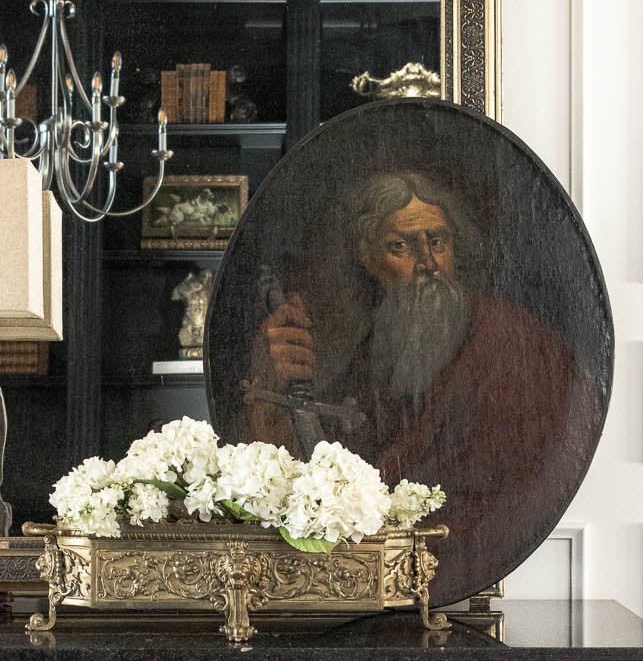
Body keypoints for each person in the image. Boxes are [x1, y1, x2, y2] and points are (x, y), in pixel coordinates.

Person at [245, 167, 600, 590]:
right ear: (369, 261)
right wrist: (272, 394)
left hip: (478, 559)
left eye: (438, 242)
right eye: (402, 247)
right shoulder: (383, 343)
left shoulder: (514, 342)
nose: (428, 263)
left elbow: (526, 480)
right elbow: (345, 456)